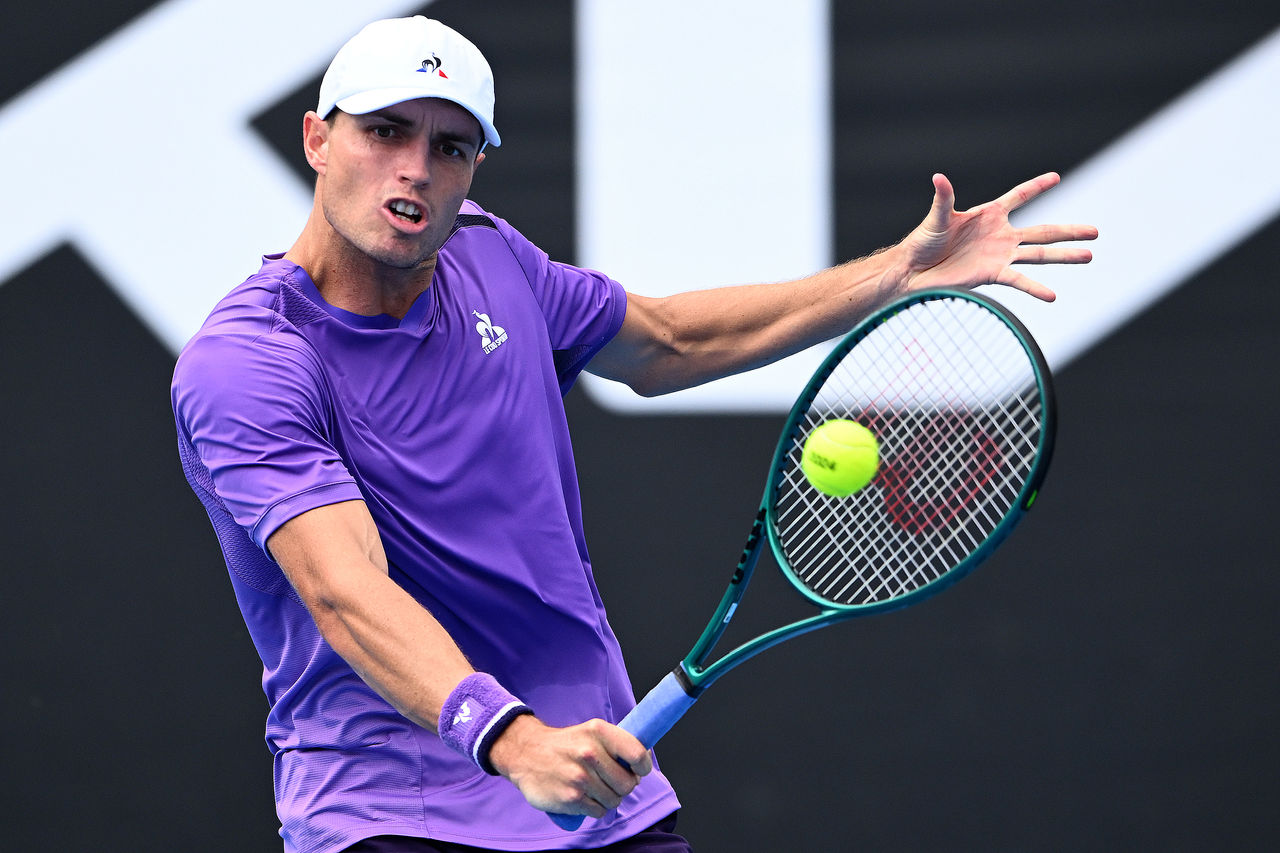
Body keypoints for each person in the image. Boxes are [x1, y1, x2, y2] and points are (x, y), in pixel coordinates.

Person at [170, 15, 1096, 853]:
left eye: (450, 147)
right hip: (389, 813)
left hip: (601, 794)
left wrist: (895, 273)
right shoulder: (248, 363)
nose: (414, 167)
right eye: (384, 132)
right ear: (317, 139)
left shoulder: (493, 258)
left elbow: (671, 340)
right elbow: (345, 591)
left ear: (474, 170)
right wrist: (511, 737)